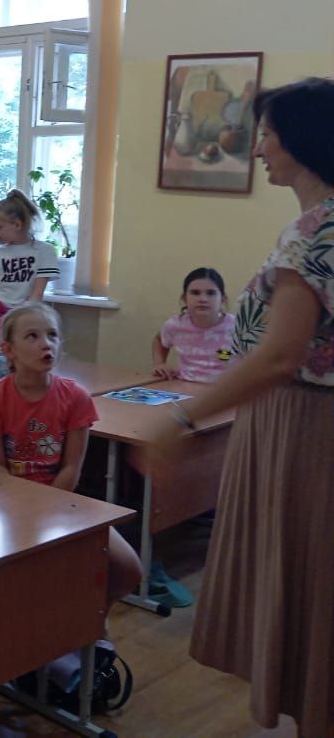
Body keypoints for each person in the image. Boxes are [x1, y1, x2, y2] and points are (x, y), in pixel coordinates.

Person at [163, 79, 334, 737]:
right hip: (298, 421)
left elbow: (278, 355)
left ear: (302, 141)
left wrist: (183, 417)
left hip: (304, 427)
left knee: (308, 581)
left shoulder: (313, 232)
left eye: (267, 135)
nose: (257, 148)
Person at [0, 303, 142, 609]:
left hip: (61, 499)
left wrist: (48, 508)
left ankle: (92, 622)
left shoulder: (75, 396)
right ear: (9, 350)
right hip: (8, 503)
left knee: (128, 569)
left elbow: (72, 467)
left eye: (52, 335)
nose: (46, 343)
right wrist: (26, 511)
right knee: (30, 581)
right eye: (32, 336)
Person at [0, 190, 58, 344]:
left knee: (27, 335)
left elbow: (37, 294)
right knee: (7, 337)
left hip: (26, 311)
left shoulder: (44, 251)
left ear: (17, 224)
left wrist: (21, 318)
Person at [151, 267, 236, 382]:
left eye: (211, 293)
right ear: (184, 299)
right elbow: (158, 340)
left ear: (223, 299)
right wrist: (159, 364)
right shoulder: (175, 325)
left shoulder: (237, 327)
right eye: (195, 293)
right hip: (185, 386)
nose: (203, 299)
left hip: (226, 388)